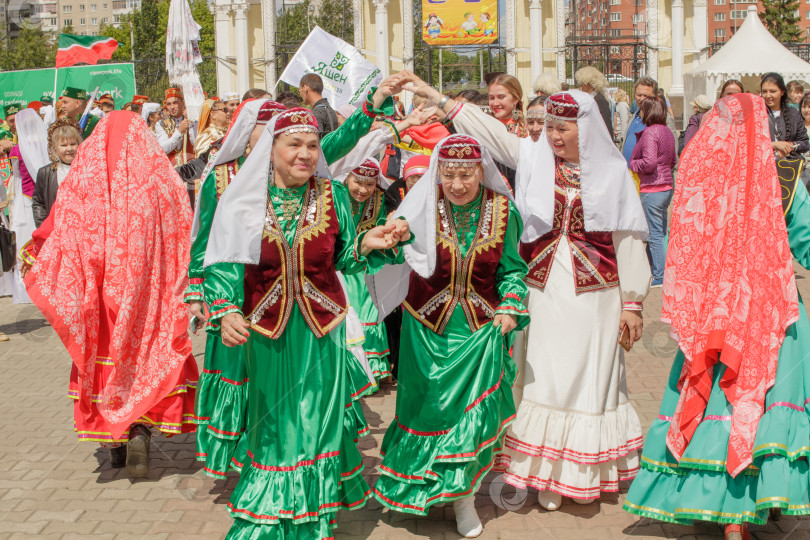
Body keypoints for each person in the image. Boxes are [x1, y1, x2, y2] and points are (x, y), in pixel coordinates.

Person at [404, 73, 651, 512]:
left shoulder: (613, 172)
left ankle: (576, 472)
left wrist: (633, 303)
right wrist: (439, 98)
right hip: (541, 287)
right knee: (540, 375)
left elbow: (628, 239)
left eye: (563, 128)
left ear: (586, 128)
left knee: (587, 377)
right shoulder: (536, 158)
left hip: (596, 294)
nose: (553, 135)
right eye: (550, 126)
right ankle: (542, 474)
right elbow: (491, 134)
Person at [200, 104, 409, 538]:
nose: (306, 153)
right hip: (269, 333)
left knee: (316, 423)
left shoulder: (333, 196)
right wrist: (225, 309)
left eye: (313, 145)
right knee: (275, 427)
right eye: (294, 144)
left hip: (323, 334)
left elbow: (346, 255)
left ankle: (313, 518)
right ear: (270, 149)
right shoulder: (245, 198)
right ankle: (273, 513)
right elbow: (223, 259)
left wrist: (371, 241)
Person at [623, 92, 810, 540]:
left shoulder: (699, 177)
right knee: (764, 401)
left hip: (713, 316)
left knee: (712, 400)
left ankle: (711, 504)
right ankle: (759, 500)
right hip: (772, 313)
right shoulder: (786, 177)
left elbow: (679, 250)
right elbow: (805, 241)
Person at [20, 111, 199, 478]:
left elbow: (59, 224)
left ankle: (115, 441)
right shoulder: (161, 180)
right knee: (146, 358)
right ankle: (139, 430)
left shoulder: (85, 180)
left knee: (105, 359)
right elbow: (186, 230)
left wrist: (34, 250)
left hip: (100, 299)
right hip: (148, 299)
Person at [370, 134, 529, 538]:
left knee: (467, 419)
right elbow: (392, 254)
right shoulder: (420, 207)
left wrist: (510, 304)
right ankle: (420, 485)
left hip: (479, 330)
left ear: (482, 171)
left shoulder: (503, 210)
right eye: (450, 174)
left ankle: (463, 498)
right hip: (426, 329)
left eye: (467, 174)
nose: (458, 184)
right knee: (429, 412)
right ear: (438, 172)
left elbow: (512, 269)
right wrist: (391, 239)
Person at [630, 96, 677, 288]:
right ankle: (657, 270)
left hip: (653, 187)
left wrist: (633, 164)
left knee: (655, 234)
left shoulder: (650, 132)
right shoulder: (666, 131)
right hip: (665, 186)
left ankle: (659, 275)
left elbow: (648, 163)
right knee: (659, 231)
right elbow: (673, 160)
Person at [32, 119, 82, 227]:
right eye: (63, 145)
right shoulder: (46, 173)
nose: (69, 149)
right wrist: (44, 228)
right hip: (56, 229)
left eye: (73, 144)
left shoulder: (87, 170)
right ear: (55, 147)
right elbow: (38, 204)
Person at [761, 72, 809, 160]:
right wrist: (773, 145)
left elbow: (805, 143)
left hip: (789, 167)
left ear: (782, 92)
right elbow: (749, 144)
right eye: (764, 91)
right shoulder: (756, 115)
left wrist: (789, 147)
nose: (768, 95)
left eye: (773, 91)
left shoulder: (794, 114)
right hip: (764, 167)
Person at [154, 87, 196, 165]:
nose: (172, 107)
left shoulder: (193, 119)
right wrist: (179, 132)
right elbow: (163, 149)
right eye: (169, 104)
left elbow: (196, 143)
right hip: (172, 169)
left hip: (192, 166)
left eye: (175, 103)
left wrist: (191, 124)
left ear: (183, 103)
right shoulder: (161, 124)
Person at [621, 76, 658, 163]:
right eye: (639, 95)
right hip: (628, 174)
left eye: (646, 95)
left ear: (655, 97)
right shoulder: (633, 117)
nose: (641, 99)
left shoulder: (661, 117)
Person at [300, 73, 339, 138]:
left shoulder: (317, 112)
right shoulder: (327, 108)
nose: (300, 95)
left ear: (305, 88)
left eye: (299, 90)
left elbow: (315, 140)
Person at [576, 66, 612, 133]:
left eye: (583, 83)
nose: (580, 86)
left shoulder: (599, 100)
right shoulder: (589, 98)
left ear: (591, 84)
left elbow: (606, 125)